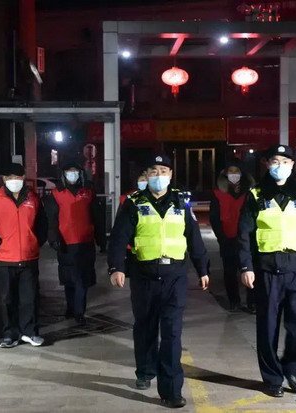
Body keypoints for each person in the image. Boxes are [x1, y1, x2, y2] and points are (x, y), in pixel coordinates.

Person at [108, 154, 210, 409]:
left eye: (163, 171)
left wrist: (202, 269)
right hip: (143, 275)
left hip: (175, 276)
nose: (158, 176)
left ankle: (172, 390)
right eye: (153, 171)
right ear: (147, 175)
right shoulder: (134, 203)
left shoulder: (181, 203)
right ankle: (145, 371)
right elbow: (119, 238)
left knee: (172, 333)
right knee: (145, 327)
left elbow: (194, 238)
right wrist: (116, 267)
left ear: (171, 175)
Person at [237, 145, 296, 398]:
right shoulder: (255, 195)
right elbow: (244, 234)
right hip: (267, 270)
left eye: (285, 162)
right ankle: (272, 378)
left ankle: (290, 367)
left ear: (292, 165)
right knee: (268, 329)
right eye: (275, 161)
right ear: (267, 164)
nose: (280, 166)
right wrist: (246, 266)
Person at [0, 162, 48, 348]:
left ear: (23, 178)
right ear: (4, 179)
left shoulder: (33, 198)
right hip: (4, 258)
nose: (13, 180)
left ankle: (30, 333)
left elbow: (42, 223)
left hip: (28, 257)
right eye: (9, 177)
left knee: (29, 298)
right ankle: (10, 334)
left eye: (17, 177)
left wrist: (35, 242)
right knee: (7, 299)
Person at [43, 160, 102, 326]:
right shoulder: (56, 194)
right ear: (63, 174)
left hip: (85, 242)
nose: (72, 174)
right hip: (66, 243)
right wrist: (53, 238)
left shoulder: (88, 191)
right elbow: (52, 219)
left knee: (82, 279)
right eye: (69, 171)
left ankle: (79, 312)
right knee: (69, 278)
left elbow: (96, 215)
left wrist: (100, 238)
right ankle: (71, 307)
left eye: (75, 171)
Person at [210, 158, 256, 313]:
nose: (234, 174)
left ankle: (252, 302)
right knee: (230, 272)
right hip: (228, 239)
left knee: (250, 269)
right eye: (231, 171)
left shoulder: (251, 193)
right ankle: (234, 301)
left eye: (237, 171)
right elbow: (214, 218)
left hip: (247, 239)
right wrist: (221, 238)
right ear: (225, 173)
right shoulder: (218, 193)